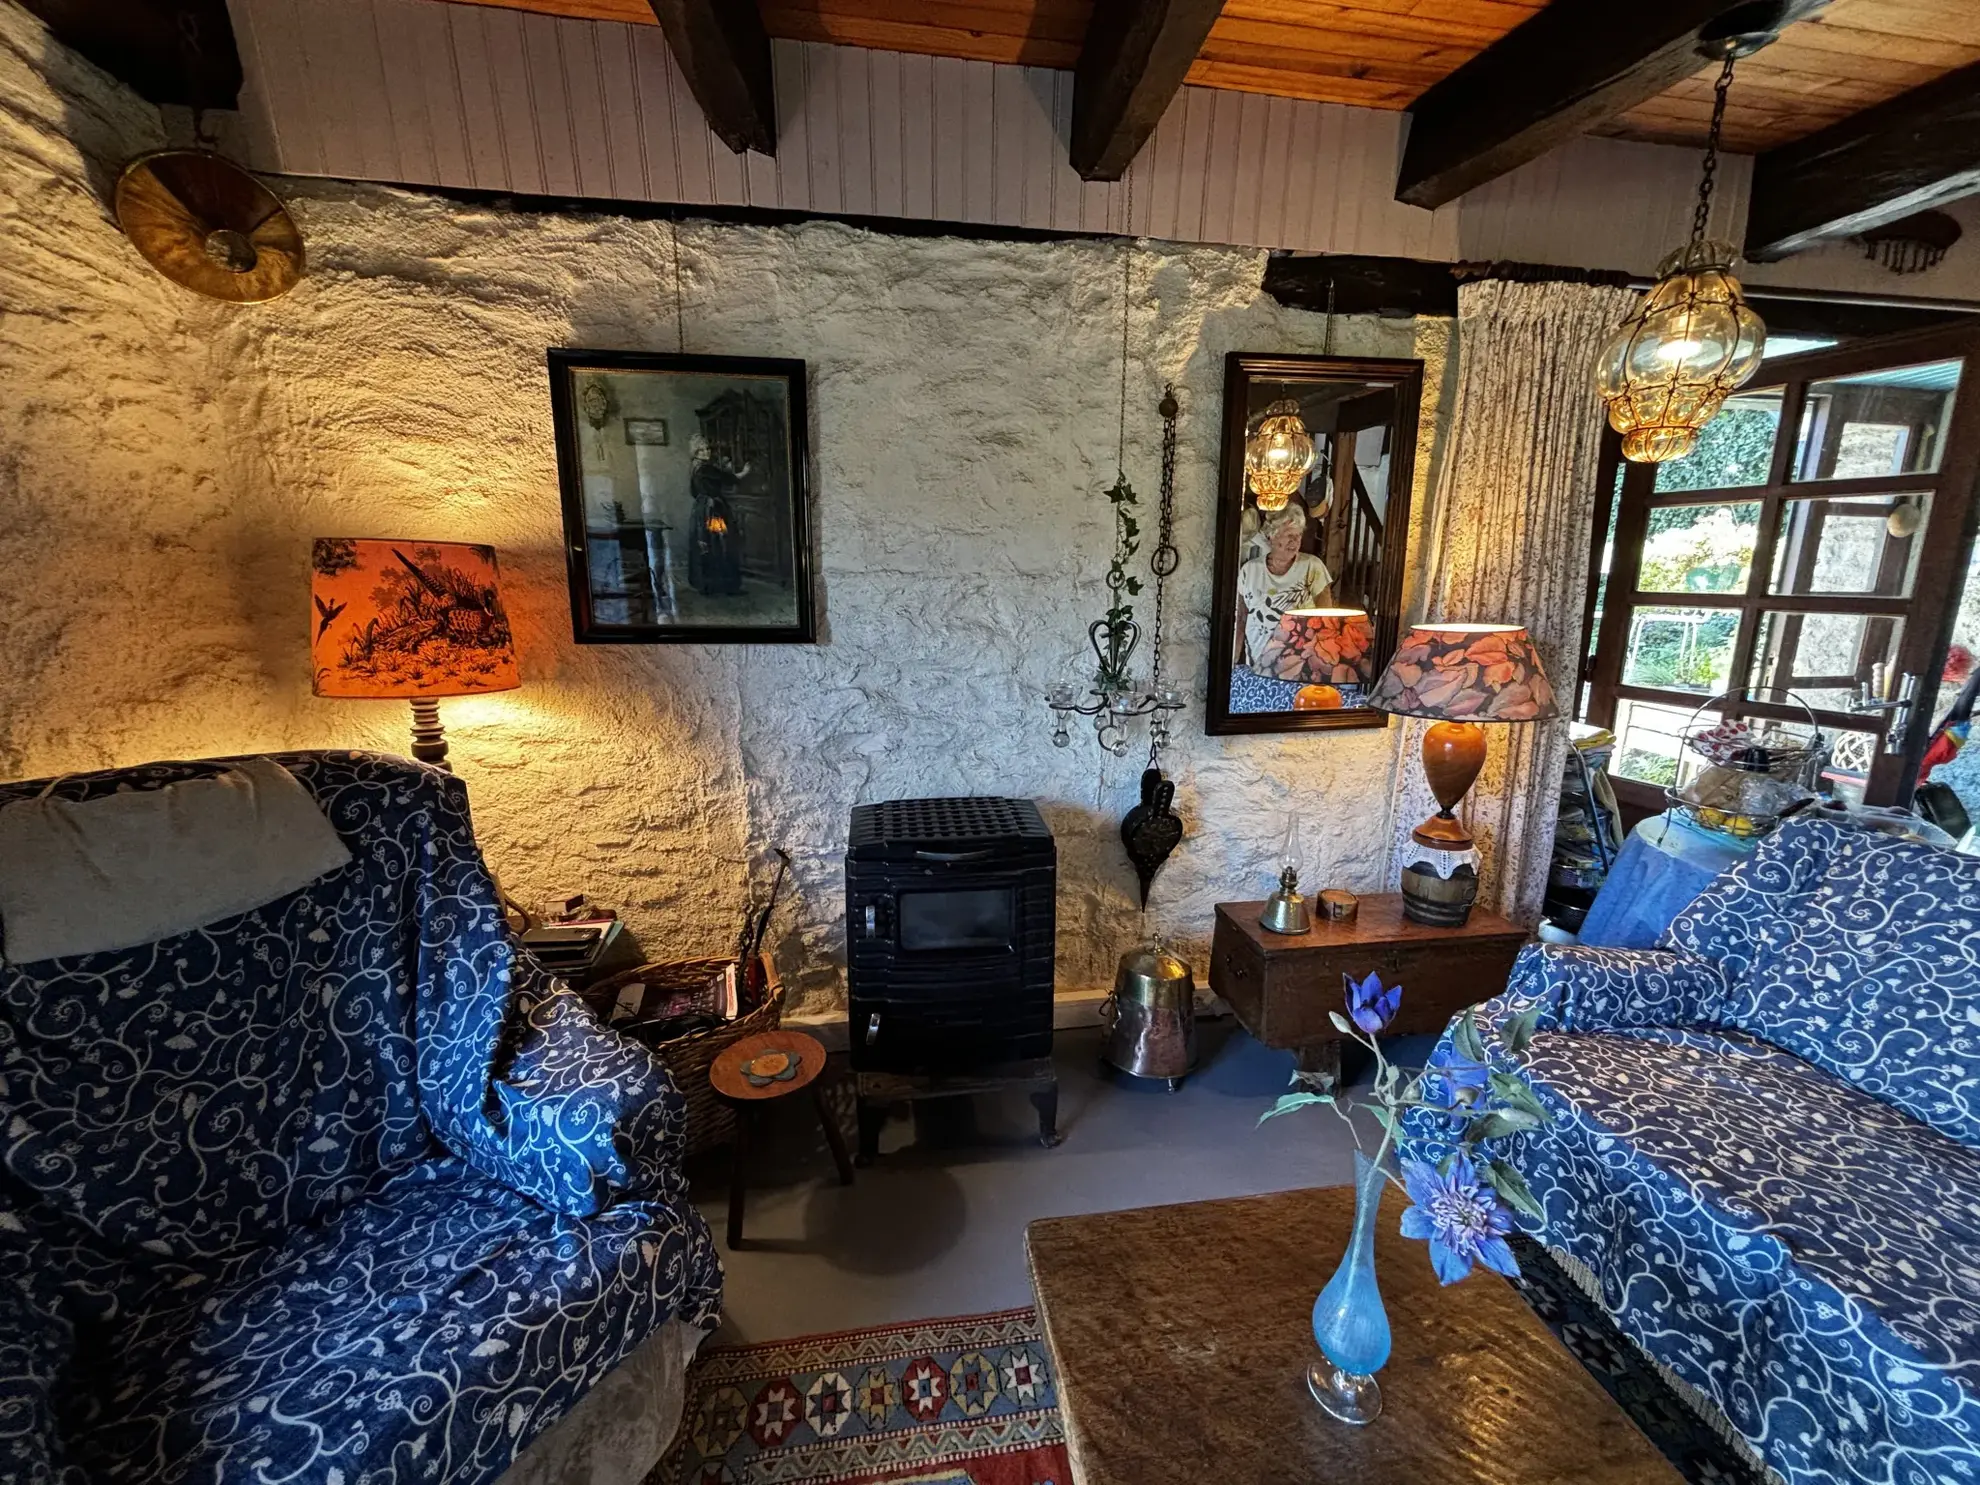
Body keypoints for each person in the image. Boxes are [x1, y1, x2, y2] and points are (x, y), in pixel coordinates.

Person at [1236, 502, 1333, 669]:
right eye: (1289, 535)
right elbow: (1241, 618)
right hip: (1257, 662)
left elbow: (1327, 620)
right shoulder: (1249, 570)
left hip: (1299, 665)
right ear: (1271, 536)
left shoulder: (1312, 566)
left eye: (1298, 535)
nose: (1295, 541)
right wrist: (1234, 658)